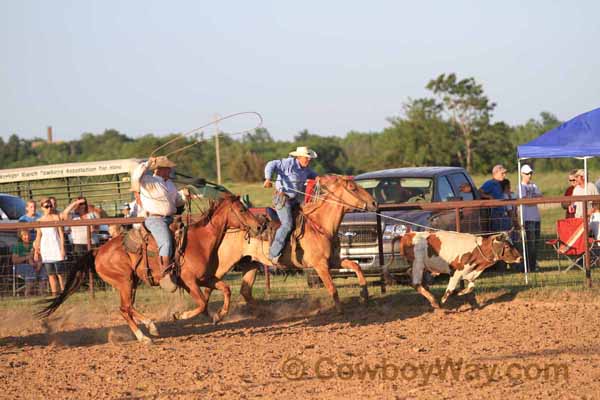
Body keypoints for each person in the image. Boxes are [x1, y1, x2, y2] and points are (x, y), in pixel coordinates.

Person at [131, 156, 187, 291]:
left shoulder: (170, 184)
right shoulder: (147, 179)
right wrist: (148, 163)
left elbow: (177, 201)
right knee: (166, 242)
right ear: (160, 169)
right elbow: (135, 176)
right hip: (155, 219)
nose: (170, 170)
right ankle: (165, 272)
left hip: (170, 218)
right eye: (168, 168)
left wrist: (185, 196)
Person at [263, 146, 318, 264]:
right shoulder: (287, 163)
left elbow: (317, 177)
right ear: (298, 157)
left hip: (296, 201)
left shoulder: (307, 170)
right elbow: (270, 164)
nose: (308, 160)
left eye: (309, 158)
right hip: (282, 198)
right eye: (306, 158)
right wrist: (268, 178)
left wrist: (325, 179)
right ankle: (273, 254)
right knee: (287, 224)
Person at [33, 197, 66, 296]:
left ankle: (64, 291)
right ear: (42, 208)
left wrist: (62, 248)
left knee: (60, 273)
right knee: (51, 274)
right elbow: (38, 236)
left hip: (56, 246)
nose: (49, 208)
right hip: (46, 249)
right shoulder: (39, 220)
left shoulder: (56, 217)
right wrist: (36, 251)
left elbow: (61, 234)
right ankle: (54, 293)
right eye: (46, 206)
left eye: (50, 206)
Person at [518, 164, 542, 272]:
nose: (529, 175)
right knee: (530, 244)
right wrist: (533, 199)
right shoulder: (520, 187)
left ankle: (533, 264)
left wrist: (531, 199)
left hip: (536, 217)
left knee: (535, 243)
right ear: (522, 174)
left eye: (530, 173)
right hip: (527, 218)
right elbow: (525, 201)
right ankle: (529, 266)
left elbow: (540, 198)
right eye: (527, 173)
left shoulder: (534, 185)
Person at [12, 229, 45, 296]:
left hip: (35, 264)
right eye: (24, 235)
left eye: (28, 235)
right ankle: (27, 293)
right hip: (21, 266)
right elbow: (14, 260)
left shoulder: (33, 244)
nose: (27, 237)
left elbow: (39, 256)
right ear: (20, 237)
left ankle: (41, 293)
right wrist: (27, 257)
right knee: (30, 269)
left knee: (43, 271)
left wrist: (38, 265)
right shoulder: (18, 246)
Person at [479, 164, 509, 231]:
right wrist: (489, 196)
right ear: (496, 173)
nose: (504, 175)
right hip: (495, 214)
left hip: (501, 213)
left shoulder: (498, 183)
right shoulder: (490, 183)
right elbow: (480, 192)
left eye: (504, 173)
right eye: (502, 173)